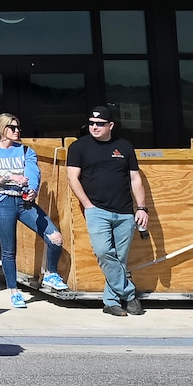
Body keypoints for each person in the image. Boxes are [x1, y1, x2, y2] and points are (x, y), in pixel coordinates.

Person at [66, 104, 150, 317]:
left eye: (100, 124)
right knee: (104, 253)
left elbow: (135, 179)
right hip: (96, 210)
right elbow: (72, 178)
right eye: (92, 123)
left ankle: (111, 302)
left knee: (119, 259)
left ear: (110, 125)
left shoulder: (124, 147)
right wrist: (88, 205)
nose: (95, 127)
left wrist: (141, 208)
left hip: (124, 212)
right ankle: (130, 295)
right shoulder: (78, 147)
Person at [0, 113, 68, 308]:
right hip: (2, 203)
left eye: (18, 127)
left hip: (24, 203)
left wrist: (32, 190)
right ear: (2, 129)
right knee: (9, 250)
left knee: (55, 237)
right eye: (13, 127)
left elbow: (33, 173)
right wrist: (9, 177)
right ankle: (14, 291)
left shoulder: (26, 150)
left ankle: (51, 273)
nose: (17, 131)